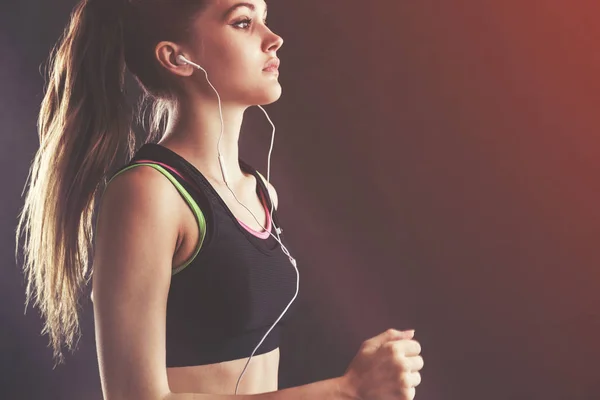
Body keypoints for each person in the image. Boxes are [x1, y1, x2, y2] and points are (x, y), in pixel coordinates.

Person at [15, 0, 424, 399]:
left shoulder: (260, 191)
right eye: (243, 22)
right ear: (177, 58)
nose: (274, 38)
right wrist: (345, 390)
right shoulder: (150, 192)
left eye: (266, 18)